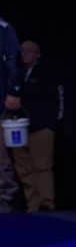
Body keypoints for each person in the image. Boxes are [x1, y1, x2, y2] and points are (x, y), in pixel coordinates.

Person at [10, 40, 61, 212]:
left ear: (37, 54)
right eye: (22, 51)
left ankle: (47, 203)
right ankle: (33, 204)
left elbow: (50, 98)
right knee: (24, 167)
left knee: (42, 166)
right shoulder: (18, 73)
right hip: (20, 127)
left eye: (29, 51)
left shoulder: (46, 73)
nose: (25, 54)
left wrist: (51, 123)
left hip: (42, 126)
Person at [1, 16, 22, 212]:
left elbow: (14, 61)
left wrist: (13, 91)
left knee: (1, 156)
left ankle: (6, 199)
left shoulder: (3, 28)